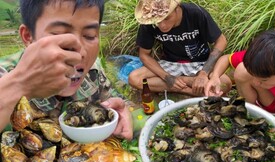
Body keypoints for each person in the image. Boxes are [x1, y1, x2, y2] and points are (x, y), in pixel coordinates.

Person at [0, 0, 133, 140]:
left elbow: (116, 103)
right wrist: (19, 85)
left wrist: (120, 114)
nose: (79, 53)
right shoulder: (5, 75)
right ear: (28, 37)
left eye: (89, 35)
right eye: (59, 34)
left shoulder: (93, 72)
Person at [205, 29, 275, 138]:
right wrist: (215, 77)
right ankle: (247, 116)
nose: (255, 83)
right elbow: (225, 59)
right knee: (243, 70)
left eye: (263, 80)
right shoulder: (269, 57)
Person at [128, 0, 231, 96]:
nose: (162, 26)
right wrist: (167, 77)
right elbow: (144, 54)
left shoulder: (195, 13)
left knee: (225, 83)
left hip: (200, 63)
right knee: (134, 79)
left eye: (167, 18)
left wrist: (204, 73)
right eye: (158, 22)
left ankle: (183, 83)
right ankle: (191, 89)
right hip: (170, 63)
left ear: (177, 8)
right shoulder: (150, 21)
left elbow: (221, 41)